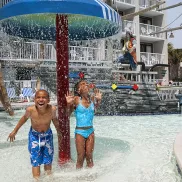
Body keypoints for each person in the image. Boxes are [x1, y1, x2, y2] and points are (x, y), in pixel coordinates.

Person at [7, 89, 61, 180]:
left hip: (48, 136)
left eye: (44, 97)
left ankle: (49, 179)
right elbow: (23, 119)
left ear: (48, 100)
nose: (41, 99)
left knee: (48, 160)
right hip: (35, 137)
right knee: (36, 161)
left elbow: (55, 120)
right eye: (38, 97)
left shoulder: (52, 109)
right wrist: (14, 131)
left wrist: (59, 133)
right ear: (34, 99)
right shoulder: (30, 110)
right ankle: (36, 179)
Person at [65, 80, 102, 169]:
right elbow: (67, 115)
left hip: (90, 131)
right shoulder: (76, 100)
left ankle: (91, 177)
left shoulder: (93, 98)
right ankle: (78, 177)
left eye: (86, 84)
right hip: (80, 132)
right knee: (80, 157)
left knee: (89, 156)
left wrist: (99, 101)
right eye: (82, 84)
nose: (86, 85)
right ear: (78, 90)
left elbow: (94, 111)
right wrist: (68, 105)